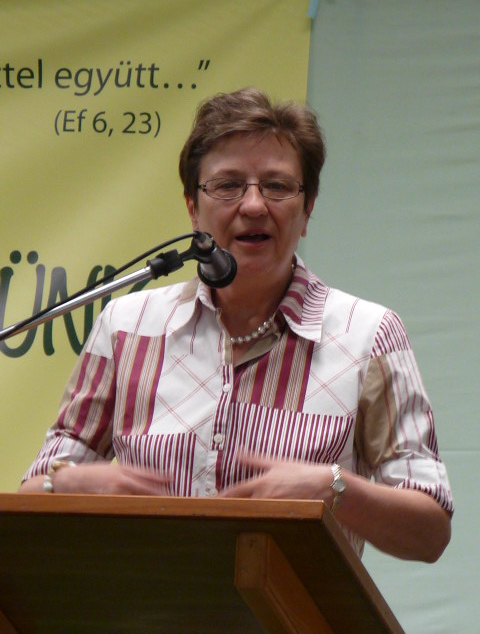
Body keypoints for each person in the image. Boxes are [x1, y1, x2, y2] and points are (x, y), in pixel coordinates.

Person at [19, 88, 453, 562]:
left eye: (277, 186)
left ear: (307, 210)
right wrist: (68, 482)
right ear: (192, 207)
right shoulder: (127, 326)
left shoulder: (368, 336)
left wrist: (334, 488)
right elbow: (31, 498)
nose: (253, 205)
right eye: (228, 185)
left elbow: (429, 531)